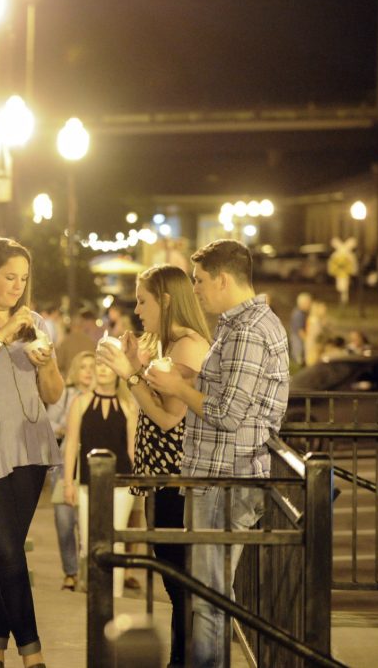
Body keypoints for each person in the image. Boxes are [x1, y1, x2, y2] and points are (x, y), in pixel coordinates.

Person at [146, 239, 289, 668]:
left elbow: (228, 414)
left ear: (223, 278)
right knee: (208, 593)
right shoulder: (234, 325)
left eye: (200, 280)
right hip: (214, 474)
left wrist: (177, 388)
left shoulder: (247, 331)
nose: (196, 289)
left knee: (208, 599)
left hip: (227, 478)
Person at [96, 264, 212, 667]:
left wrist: (130, 375)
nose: (138, 309)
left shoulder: (188, 345)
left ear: (165, 299)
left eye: (143, 300)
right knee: (171, 575)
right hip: (161, 477)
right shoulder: (170, 344)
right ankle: (181, 657)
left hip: (177, 480)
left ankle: (183, 659)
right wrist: (138, 365)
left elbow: (168, 417)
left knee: (178, 578)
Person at [0, 237, 63, 668]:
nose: (17, 286)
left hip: (32, 448)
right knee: (4, 550)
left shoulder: (36, 323)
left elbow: (53, 395)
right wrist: (2, 335)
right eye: (9, 277)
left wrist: (48, 363)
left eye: (23, 278)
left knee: (9, 553)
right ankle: (33, 655)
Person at [62, 358, 138, 598]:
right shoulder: (81, 402)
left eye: (109, 364)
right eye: (100, 364)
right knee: (88, 542)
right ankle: (94, 597)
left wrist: (138, 479)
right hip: (88, 481)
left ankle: (113, 596)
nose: (104, 369)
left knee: (115, 540)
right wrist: (68, 482)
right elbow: (72, 444)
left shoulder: (128, 404)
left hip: (121, 482)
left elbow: (132, 447)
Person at [49, 352, 96, 591]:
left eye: (93, 366)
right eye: (83, 367)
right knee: (65, 522)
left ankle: (88, 571)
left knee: (87, 524)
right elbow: (48, 423)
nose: (88, 371)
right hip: (66, 467)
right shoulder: (66, 395)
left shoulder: (103, 397)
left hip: (92, 468)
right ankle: (70, 572)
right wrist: (67, 426)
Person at [288, 292, 311, 367]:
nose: (309, 304)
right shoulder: (298, 314)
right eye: (308, 302)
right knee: (299, 361)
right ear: (303, 303)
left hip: (297, 340)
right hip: (298, 342)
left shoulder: (301, 312)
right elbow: (300, 331)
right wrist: (309, 341)